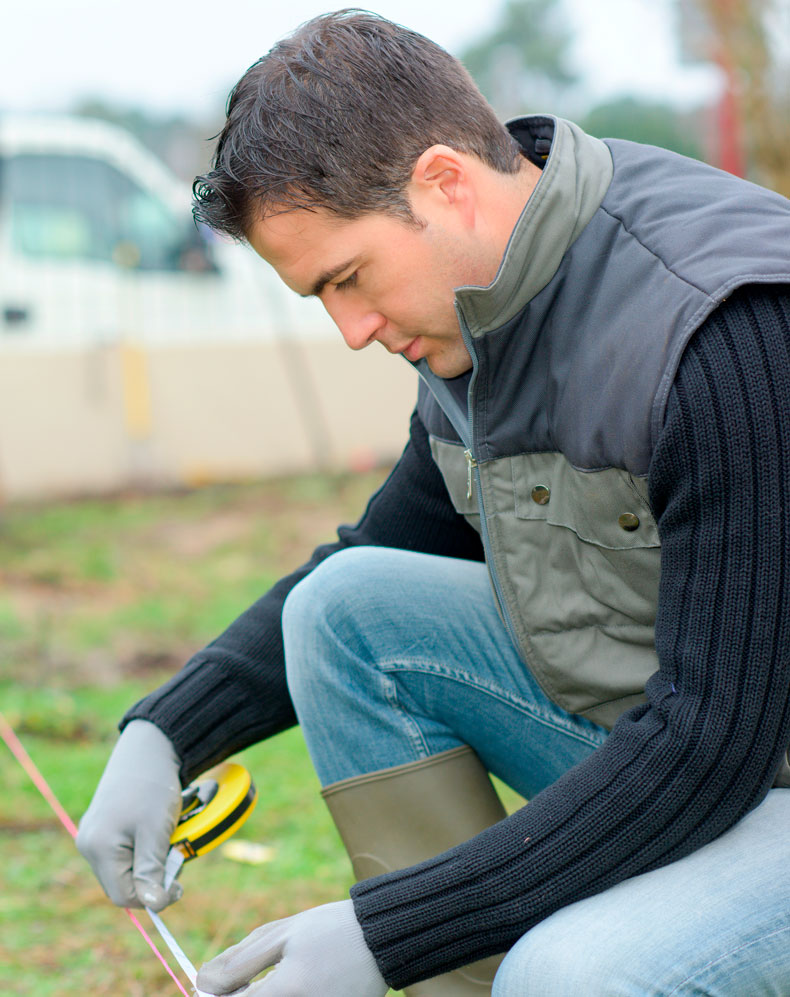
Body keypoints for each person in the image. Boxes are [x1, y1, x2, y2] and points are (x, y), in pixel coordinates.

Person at [75, 10, 790, 997]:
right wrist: (163, 733)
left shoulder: (724, 329)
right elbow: (379, 548)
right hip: (715, 752)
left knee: (570, 975)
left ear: (444, 183)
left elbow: (712, 742)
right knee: (347, 611)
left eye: (351, 280)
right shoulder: (489, 302)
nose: (354, 330)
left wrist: (391, 932)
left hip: (736, 756)